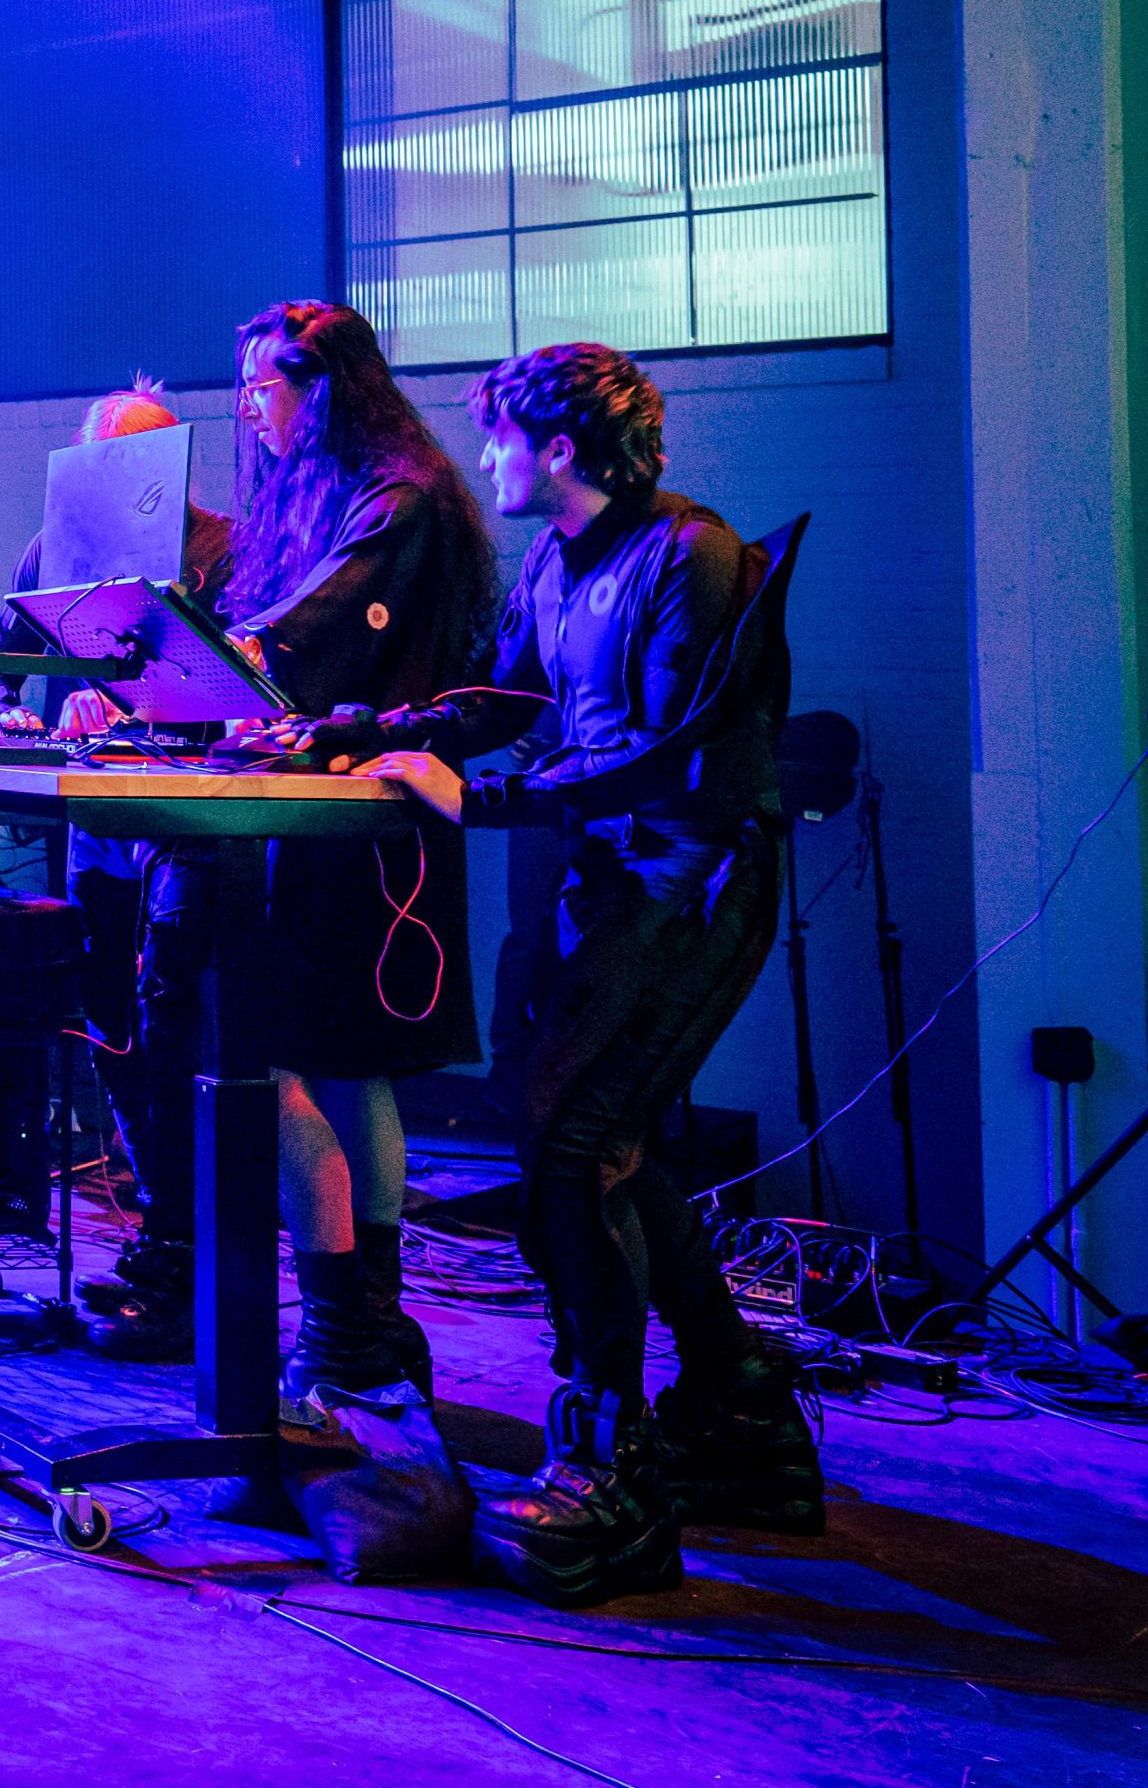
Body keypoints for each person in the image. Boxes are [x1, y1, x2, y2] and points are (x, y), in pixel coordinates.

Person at [344, 342, 814, 1605]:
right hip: (600, 886)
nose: (481, 457)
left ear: (556, 448)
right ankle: (737, 1403)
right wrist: (374, 732)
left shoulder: (688, 557)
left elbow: (663, 761)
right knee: (600, 1144)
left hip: (689, 882)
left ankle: (611, 1463)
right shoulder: (557, 560)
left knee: (570, 1143)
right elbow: (506, 696)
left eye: (496, 437)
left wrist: (471, 796)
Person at [220, 297, 499, 1424]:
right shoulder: (344, 492)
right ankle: (363, 1331)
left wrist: (185, 666)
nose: (248, 410)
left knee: (287, 1059)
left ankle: (344, 1332)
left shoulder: (399, 501)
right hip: (351, 823)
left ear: (320, 385)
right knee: (337, 1066)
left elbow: (295, 635)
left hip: (361, 833)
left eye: (263, 387)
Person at [0, 382, 234, 1361]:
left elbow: (247, 688)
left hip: (189, 829)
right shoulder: (58, 546)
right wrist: (32, 712)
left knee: (176, 1034)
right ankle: (160, 1233)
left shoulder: (229, 551)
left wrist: (148, 712)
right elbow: (8, 666)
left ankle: (194, 1254)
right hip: (98, 823)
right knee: (112, 1031)